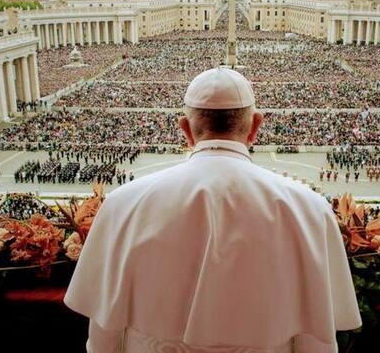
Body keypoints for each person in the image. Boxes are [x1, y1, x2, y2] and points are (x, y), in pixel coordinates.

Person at [65, 68, 361, 352]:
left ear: (185, 129)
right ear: (256, 126)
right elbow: (316, 336)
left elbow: (104, 330)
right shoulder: (309, 209)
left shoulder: (123, 204)